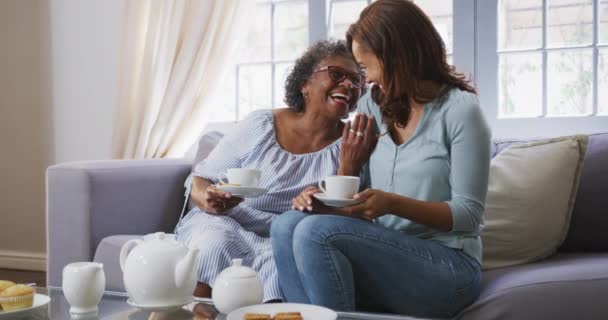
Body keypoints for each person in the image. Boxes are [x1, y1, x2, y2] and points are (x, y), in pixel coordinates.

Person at [270, 0, 491, 317]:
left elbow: (468, 214)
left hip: (448, 265)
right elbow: (364, 200)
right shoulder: (375, 106)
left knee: (314, 232)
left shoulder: (461, 111)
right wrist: (326, 201)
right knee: (287, 224)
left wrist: (392, 203)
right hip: (386, 250)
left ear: (399, 57)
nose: (366, 79)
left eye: (368, 67)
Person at [174, 40, 365, 302]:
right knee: (213, 244)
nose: (348, 85)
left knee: (281, 268)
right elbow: (199, 178)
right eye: (337, 74)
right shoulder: (262, 125)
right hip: (228, 222)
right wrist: (208, 197)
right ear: (305, 83)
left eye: (356, 80)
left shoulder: (353, 145)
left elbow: (348, 216)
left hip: (285, 240)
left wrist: (348, 167)